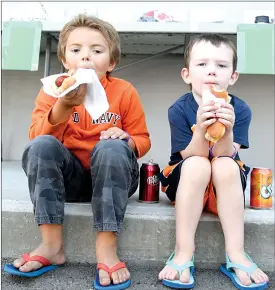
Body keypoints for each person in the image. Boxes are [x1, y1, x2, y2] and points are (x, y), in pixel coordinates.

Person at [4, 14, 151, 290]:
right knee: (41, 145)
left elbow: (143, 140)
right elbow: (36, 139)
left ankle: (106, 248)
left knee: (111, 147)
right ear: (64, 60)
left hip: (112, 179)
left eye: (96, 51)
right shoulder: (53, 89)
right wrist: (62, 105)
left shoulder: (124, 92)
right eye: (76, 50)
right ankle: (51, 245)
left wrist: (126, 139)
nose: (86, 57)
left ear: (112, 62)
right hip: (67, 180)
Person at [158, 34, 269, 290]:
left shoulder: (239, 109)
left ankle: (237, 252)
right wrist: (200, 129)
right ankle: (183, 251)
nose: (211, 72)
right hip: (188, 181)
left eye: (221, 66)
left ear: (233, 76)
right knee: (198, 163)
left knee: (224, 164)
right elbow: (187, 155)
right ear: (186, 74)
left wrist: (227, 130)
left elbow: (224, 154)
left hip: (222, 186)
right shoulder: (179, 109)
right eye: (202, 65)